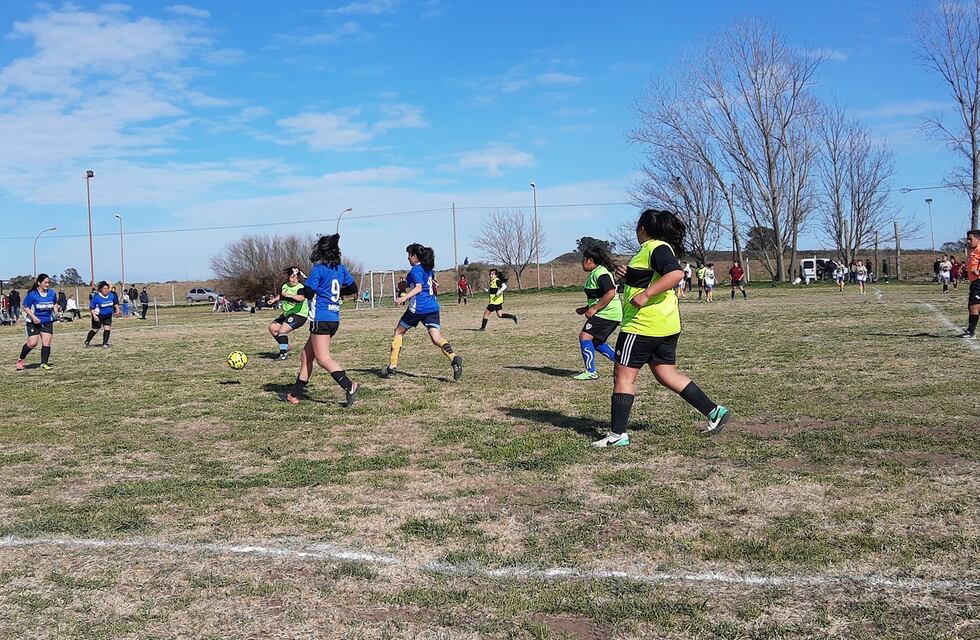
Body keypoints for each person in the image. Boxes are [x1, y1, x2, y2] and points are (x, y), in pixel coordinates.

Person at [593, 209, 729, 448]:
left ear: (642, 229)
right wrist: (629, 276)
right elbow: (652, 277)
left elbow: (675, 274)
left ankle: (617, 435)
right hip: (665, 325)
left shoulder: (656, 247)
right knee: (666, 374)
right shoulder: (654, 249)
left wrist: (646, 295)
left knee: (623, 377)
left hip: (642, 326)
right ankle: (714, 411)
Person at [286, 234, 359, 406]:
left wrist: (302, 288)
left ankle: (349, 386)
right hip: (333, 318)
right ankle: (294, 395)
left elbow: (308, 293)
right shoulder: (340, 269)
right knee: (306, 356)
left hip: (320, 318)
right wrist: (336, 293)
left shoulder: (319, 269)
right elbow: (353, 288)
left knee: (323, 358)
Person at [382, 244, 463, 381]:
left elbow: (418, 288)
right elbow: (419, 284)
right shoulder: (428, 269)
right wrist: (405, 286)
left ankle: (392, 366)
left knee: (398, 332)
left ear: (415, 256)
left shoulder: (416, 270)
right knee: (436, 338)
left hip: (418, 308)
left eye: (409, 255)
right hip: (432, 307)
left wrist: (404, 298)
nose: (408, 258)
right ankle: (454, 358)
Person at [573, 244, 622, 380]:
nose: (582, 262)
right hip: (606, 313)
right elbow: (598, 296)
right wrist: (586, 308)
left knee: (585, 337)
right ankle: (621, 364)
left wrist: (594, 308)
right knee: (595, 342)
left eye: (583, 259)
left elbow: (610, 293)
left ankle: (591, 372)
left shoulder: (601, 273)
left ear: (590, 260)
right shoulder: (595, 273)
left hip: (608, 313)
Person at [16, 274, 60, 371]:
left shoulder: (52, 293)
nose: (47, 284)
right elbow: (25, 307)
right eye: (45, 282)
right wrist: (34, 317)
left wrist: (56, 312)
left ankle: (44, 363)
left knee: (46, 343)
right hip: (33, 322)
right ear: (39, 283)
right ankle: (21, 359)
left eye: (48, 282)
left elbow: (55, 303)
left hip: (47, 321)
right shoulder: (32, 294)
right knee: (32, 343)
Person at [267, 267, 308, 360]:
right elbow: (281, 295)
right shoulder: (285, 286)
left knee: (282, 331)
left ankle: (283, 354)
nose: (294, 279)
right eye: (292, 277)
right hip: (288, 313)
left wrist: (290, 295)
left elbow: (301, 298)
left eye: (296, 277)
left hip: (299, 314)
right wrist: (274, 300)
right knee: (273, 328)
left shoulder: (300, 287)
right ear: (288, 277)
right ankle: (286, 346)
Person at [84, 281, 119, 348]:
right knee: (95, 329)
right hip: (98, 316)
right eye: (104, 288)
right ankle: (87, 341)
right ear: (100, 289)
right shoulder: (96, 297)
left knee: (107, 328)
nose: (106, 290)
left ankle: (105, 343)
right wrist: (94, 316)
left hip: (108, 316)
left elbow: (115, 303)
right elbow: (92, 307)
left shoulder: (111, 295)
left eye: (107, 288)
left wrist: (117, 310)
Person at [962, 230, 980, 339]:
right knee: (974, 306)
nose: (968, 241)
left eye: (970, 239)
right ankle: (971, 330)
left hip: (978, 282)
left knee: (973, 306)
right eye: (967, 239)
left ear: (978, 239)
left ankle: (971, 332)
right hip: (974, 282)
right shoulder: (972, 250)